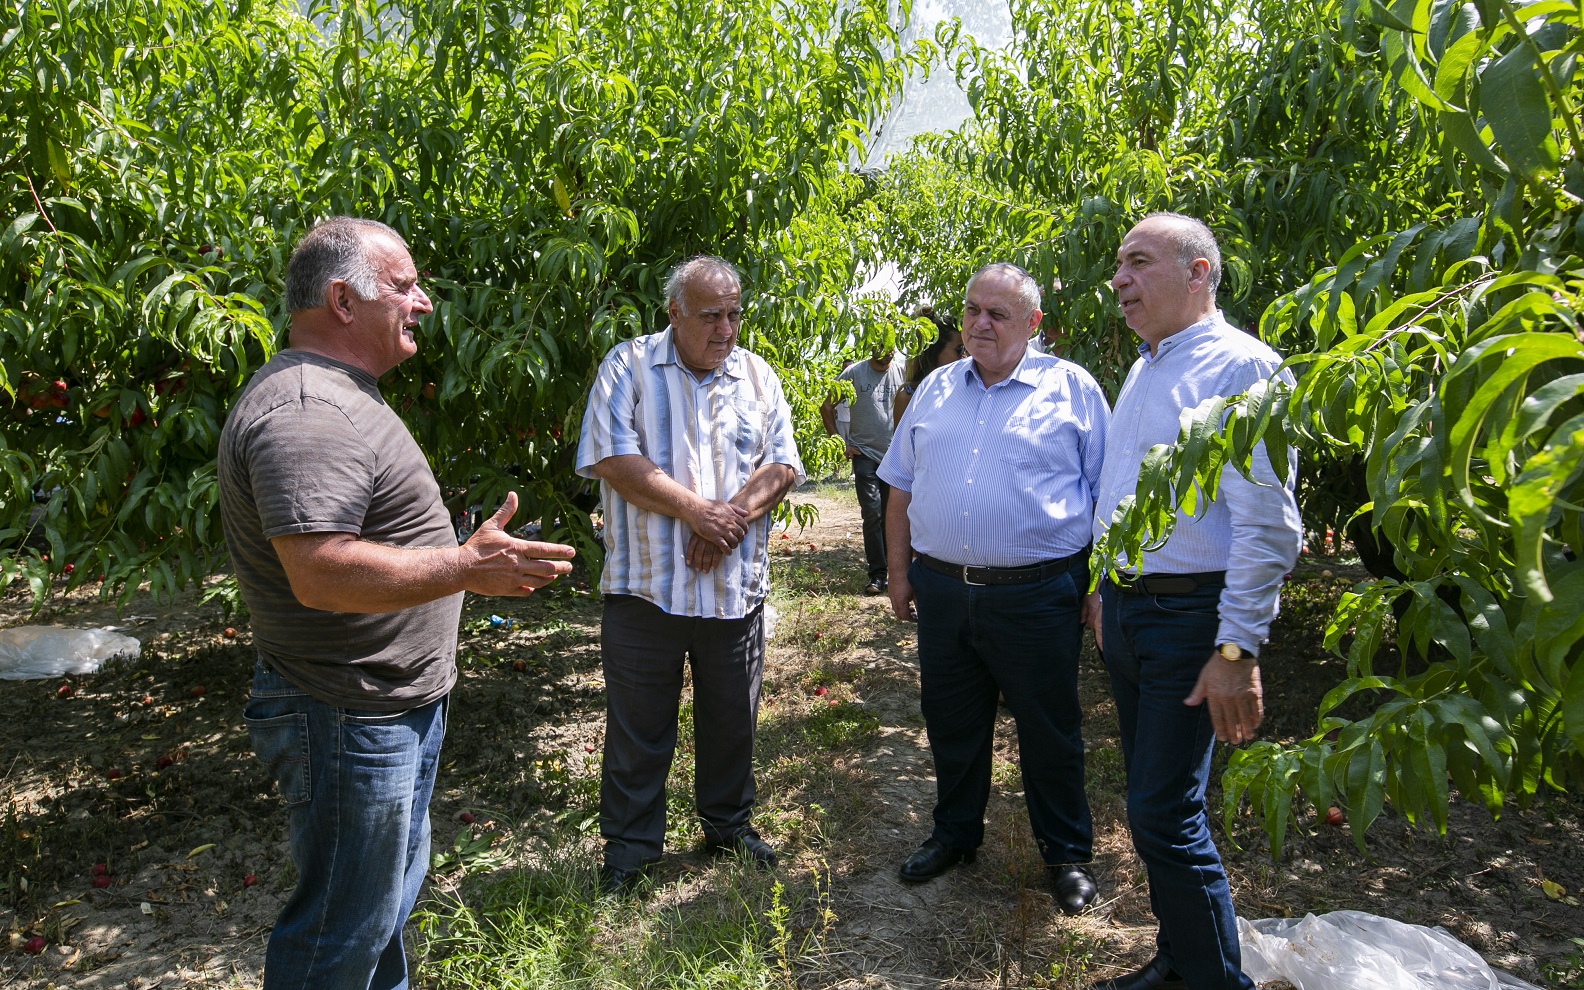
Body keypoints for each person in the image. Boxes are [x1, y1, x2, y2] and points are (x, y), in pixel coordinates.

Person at [218, 217, 576, 990]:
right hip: (347, 712)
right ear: (343, 301)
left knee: (374, 919)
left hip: (375, 707)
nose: (424, 302)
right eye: (404, 286)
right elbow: (320, 572)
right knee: (340, 932)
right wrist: (465, 567)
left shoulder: (339, 394)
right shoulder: (309, 409)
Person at [1090, 213, 1301, 990]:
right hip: (1131, 612)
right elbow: (1122, 492)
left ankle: (1216, 980)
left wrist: (1236, 648)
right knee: (1154, 806)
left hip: (1189, 618)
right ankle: (1180, 960)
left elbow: (1268, 525)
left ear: (1199, 272)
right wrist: (1105, 588)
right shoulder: (1146, 367)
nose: (1119, 280)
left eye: (1138, 262)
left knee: (1163, 815)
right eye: (1119, 265)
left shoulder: (1243, 367)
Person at [879, 263, 1110, 914]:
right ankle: (955, 835)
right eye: (972, 310)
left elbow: (1109, 496)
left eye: (997, 314)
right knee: (951, 721)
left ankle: (1065, 854)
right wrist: (898, 574)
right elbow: (900, 487)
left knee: (1048, 727)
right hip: (943, 590)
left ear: (1032, 324)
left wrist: (1099, 587)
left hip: (1037, 593)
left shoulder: (1073, 389)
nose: (979, 324)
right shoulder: (934, 389)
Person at [576, 255, 805, 895]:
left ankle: (727, 826)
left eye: (734, 314)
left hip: (733, 590)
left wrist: (726, 519)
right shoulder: (629, 366)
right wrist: (695, 512)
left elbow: (782, 464)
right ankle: (630, 850)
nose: (726, 329)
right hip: (646, 588)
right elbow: (612, 458)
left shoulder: (757, 376)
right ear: (674, 312)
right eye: (710, 316)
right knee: (638, 728)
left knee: (732, 720)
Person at [819, 347, 905, 594]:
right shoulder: (854, 373)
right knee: (872, 512)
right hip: (864, 454)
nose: (887, 353)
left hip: (895, 456)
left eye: (891, 347)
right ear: (871, 345)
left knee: (892, 516)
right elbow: (827, 407)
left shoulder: (901, 372)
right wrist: (840, 442)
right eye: (882, 346)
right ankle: (877, 574)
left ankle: (895, 573)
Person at [891, 307, 964, 428]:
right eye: (959, 349)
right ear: (934, 351)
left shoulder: (964, 389)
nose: (965, 357)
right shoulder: (909, 398)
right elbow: (901, 440)